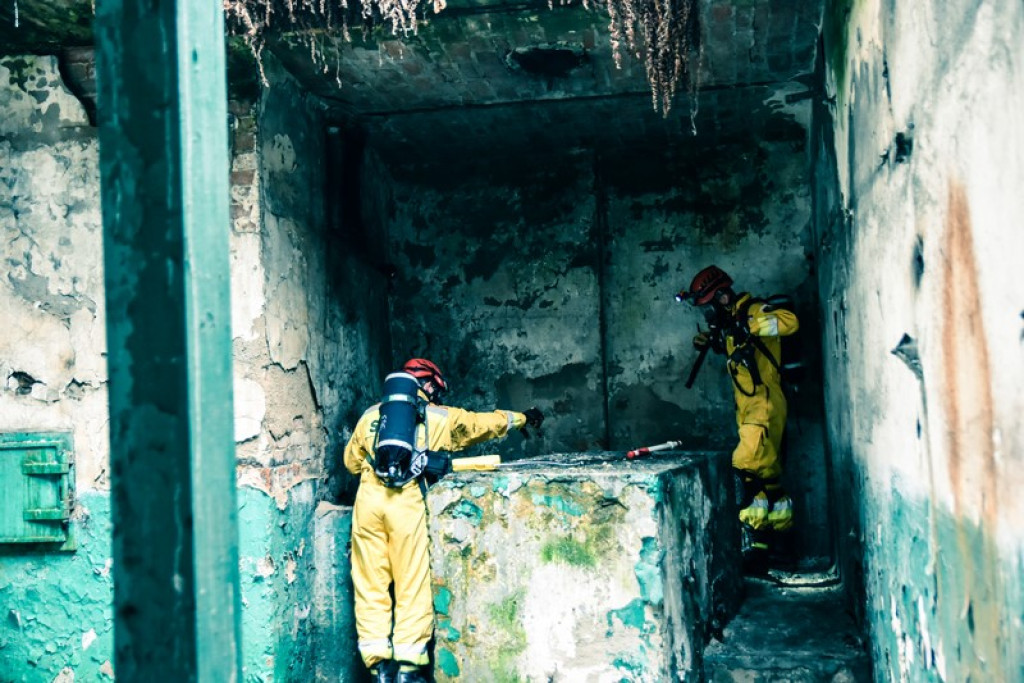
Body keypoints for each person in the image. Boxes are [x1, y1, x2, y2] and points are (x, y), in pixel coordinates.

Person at [344, 358, 544, 683]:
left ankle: (378, 667)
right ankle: (408, 670)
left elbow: (351, 463)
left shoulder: (371, 415)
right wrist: (522, 418)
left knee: (370, 584)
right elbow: (485, 424)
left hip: (368, 503)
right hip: (405, 505)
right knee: (412, 584)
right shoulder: (441, 417)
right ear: (431, 385)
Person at [680, 266, 799, 567]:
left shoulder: (754, 311)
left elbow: (790, 323)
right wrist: (713, 340)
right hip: (749, 409)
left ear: (722, 296)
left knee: (743, 469)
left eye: (708, 304)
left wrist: (752, 324)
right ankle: (780, 548)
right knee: (768, 479)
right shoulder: (729, 323)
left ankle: (752, 548)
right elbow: (732, 346)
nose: (707, 312)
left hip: (764, 405)